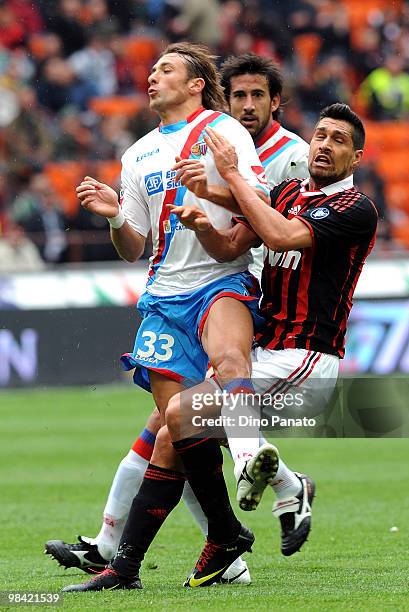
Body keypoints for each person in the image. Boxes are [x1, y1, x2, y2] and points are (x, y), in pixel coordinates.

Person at [45, 53, 310, 579]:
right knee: (180, 431)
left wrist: (215, 191)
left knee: (231, 359)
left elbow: (256, 206)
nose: (152, 75)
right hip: (165, 296)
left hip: (222, 279)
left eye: (166, 69)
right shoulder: (137, 154)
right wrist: (115, 214)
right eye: (152, 70)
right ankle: (228, 539)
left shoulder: (223, 130)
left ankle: (252, 470)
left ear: (194, 84)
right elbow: (133, 246)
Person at [160, 102, 377, 582]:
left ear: (356, 158)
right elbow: (236, 236)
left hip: (303, 359)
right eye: (320, 135)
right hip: (266, 352)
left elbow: (277, 235)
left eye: (339, 140)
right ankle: (238, 538)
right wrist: (204, 202)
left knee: (181, 419)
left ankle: (249, 510)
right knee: (173, 430)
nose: (325, 145)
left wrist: (232, 174)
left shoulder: (354, 208)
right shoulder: (286, 192)